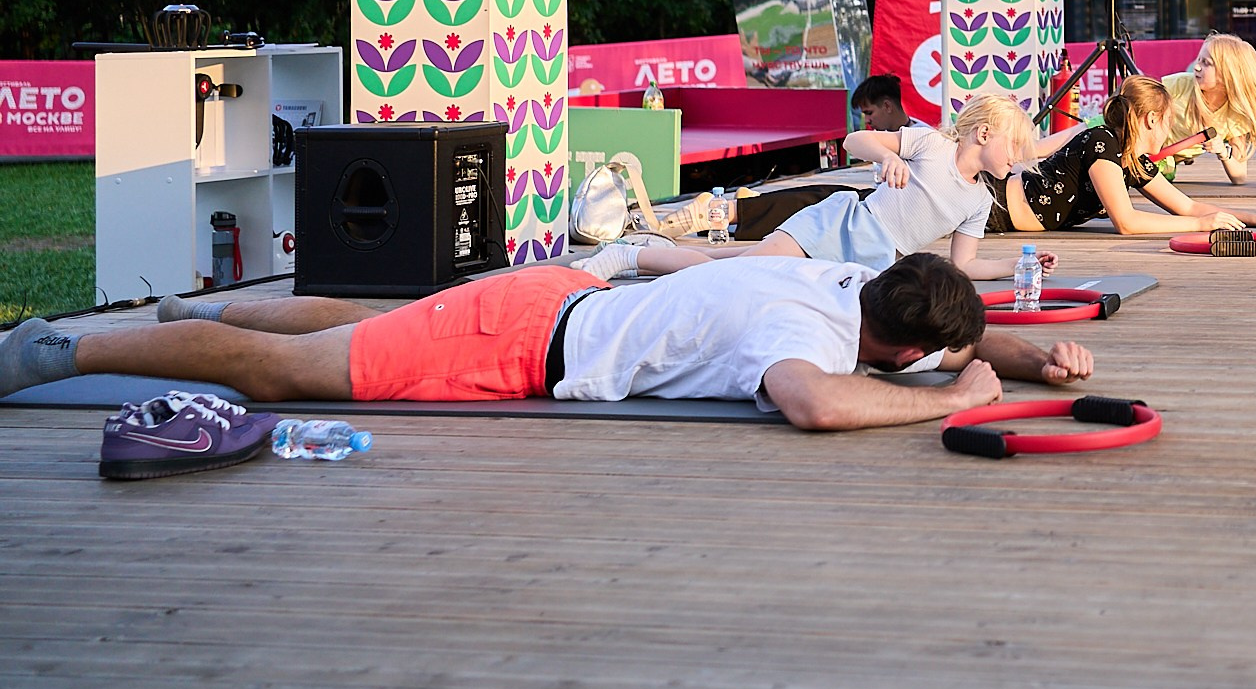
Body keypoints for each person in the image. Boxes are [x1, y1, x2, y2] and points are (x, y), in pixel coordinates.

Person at [0, 253, 1092, 432]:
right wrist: (952, 405)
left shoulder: (855, 286)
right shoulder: (801, 331)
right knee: (298, 377)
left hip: (558, 299)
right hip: (526, 340)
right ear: (896, 350)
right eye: (928, 362)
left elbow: (950, 330)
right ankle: (66, 351)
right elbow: (812, 403)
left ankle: (207, 314)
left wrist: (1043, 362)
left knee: (361, 328)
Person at [603, 93, 1042, 283]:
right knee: (729, 270)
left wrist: (1019, 265)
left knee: (720, 259)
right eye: (1015, 147)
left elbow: (964, 264)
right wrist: (888, 156)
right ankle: (629, 255)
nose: (1018, 159)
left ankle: (635, 258)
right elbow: (855, 140)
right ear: (983, 135)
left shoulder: (978, 200)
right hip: (838, 228)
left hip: (868, 262)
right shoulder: (930, 143)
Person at [1002, 76, 1256, 236]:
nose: (1169, 131)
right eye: (1168, 122)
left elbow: (1187, 206)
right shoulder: (1102, 142)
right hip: (994, 203)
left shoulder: (1133, 160)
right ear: (1151, 119)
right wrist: (1202, 225)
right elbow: (1126, 222)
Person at [1162, 33, 1256, 185]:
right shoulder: (1176, 86)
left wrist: (1223, 151)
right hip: (1145, 153)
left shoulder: (1234, 116)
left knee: (1164, 172)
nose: (1197, 67)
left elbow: (1239, 176)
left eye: (1206, 63)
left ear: (1228, 74)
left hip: (1163, 163)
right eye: (1199, 60)